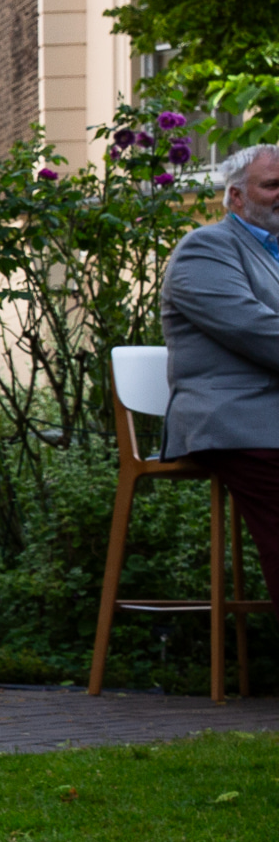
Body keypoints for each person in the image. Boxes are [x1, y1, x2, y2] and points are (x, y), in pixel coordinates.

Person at [162, 140, 279, 590]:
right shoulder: (204, 249)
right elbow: (255, 330)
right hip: (238, 419)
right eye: (271, 185)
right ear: (235, 196)